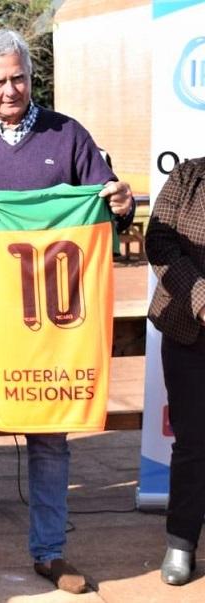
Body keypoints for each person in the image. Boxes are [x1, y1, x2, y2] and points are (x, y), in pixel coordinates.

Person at [0, 28, 134, 595]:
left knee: (50, 435)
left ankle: (50, 552)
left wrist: (120, 202)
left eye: (19, 77)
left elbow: (105, 204)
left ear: (30, 75)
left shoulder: (67, 135)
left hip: (53, 319)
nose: (11, 89)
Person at [145, 156, 205, 586]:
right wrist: (203, 296)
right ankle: (181, 542)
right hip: (189, 329)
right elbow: (160, 241)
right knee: (194, 440)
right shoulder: (188, 176)